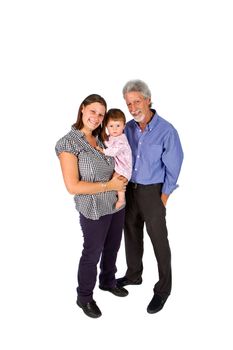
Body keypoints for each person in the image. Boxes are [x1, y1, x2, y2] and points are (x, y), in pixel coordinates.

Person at [55, 94, 129, 319]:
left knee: (113, 247)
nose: (96, 117)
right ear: (82, 109)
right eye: (93, 111)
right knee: (92, 253)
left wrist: (118, 182)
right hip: (93, 209)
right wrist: (110, 184)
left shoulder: (102, 139)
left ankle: (108, 281)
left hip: (115, 205)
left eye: (101, 114)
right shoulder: (68, 143)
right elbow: (73, 186)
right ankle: (84, 297)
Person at [117, 80, 184, 314]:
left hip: (153, 192)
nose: (133, 107)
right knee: (131, 234)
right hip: (129, 190)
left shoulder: (167, 130)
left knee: (159, 241)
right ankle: (134, 275)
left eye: (137, 101)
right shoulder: (126, 128)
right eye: (129, 103)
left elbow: (174, 167)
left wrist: (163, 197)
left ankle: (163, 289)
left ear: (148, 99)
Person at [95, 108, 132, 209]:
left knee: (118, 180)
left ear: (124, 126)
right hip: (119, 166)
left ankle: (121, 200)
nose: (115, 129)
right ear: (106, 126)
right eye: (111, 126)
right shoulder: (112, 137)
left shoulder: (122, 140)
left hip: (124, 168)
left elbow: (114, 150)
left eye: (118, 126)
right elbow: (107, 142)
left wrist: (103, 151)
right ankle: (117, 195)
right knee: (114, 178)